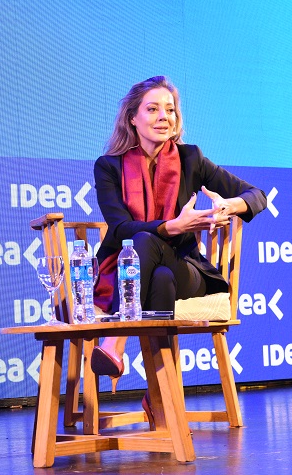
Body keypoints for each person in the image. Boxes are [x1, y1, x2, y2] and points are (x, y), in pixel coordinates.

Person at [90, 76, 267, 424]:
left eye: (170, 110)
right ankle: (161, 394)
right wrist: (171, 226)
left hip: (188, 269)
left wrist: (227, 206)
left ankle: (115, 342)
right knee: (157, 272)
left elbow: (256, 195)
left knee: (150, 249)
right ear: (132, 118)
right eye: (152, 109)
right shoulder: (108, 167)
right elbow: (120, 228)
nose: (163, 117)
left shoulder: (191, 159)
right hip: (131, 268)